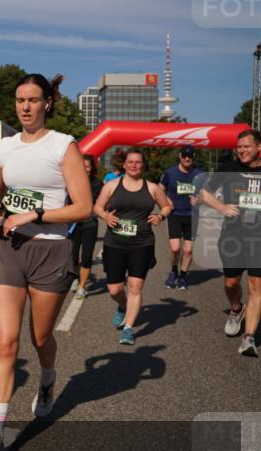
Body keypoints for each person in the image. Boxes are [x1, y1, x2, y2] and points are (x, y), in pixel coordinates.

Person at [0, 73, 92, 451]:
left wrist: (37, 213)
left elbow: (83, 207)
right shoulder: (5, 148)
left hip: (51, 251)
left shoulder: (63, 146)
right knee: (5, 343)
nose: (25, 107)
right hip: (9, 248)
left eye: (32, 100)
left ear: (48, 103)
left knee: (40, 337)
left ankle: (47, 379)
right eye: (19, 100)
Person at [93, 148, 172, 346]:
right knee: (114, 289)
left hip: (142, 243)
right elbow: (97, 207)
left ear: (143, 165)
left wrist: (160, 216)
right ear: (124, 164)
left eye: (138, 162)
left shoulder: (152, 188)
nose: (134, 165)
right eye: (130, 162)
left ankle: (128, 328)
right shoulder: (112, 185)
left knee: (135, 286)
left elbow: (167, 205)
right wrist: (105, 216)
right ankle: (122, 305)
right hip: (115, 243)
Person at [197, 129, 261, 357]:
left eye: (246, 146)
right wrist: (222, 207)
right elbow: (204, 192)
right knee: (231, 283)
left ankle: (249, 337)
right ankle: (236, 309)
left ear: (258, 148)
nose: (242, 150)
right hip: (233, 236)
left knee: (256, 284)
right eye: (239, 147)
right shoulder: (228, 169)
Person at [159, 146, 206, 290]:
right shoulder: (170, 172)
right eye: (184, 156)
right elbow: (160, 189)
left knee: (188, 250)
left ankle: (183, 277)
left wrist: (199, 200)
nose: (187, 159)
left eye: (190, 156)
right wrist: (166, 200)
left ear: (193, 157)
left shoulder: (200, 174)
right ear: (180, 156)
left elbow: (207, 194)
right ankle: (173, 271)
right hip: (175, 214)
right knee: (175, 248)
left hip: (192, 216)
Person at [72, 154, 104, 299]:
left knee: (86, 257)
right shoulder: (71, 182)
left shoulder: (98, 184)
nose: (85, 169)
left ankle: (82, 286)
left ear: (92, 168)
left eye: (87, 166)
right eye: (82, 166)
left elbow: (100, 204)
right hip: (73, 224)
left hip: (90, 224)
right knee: (71, 256)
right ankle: (74, 278)